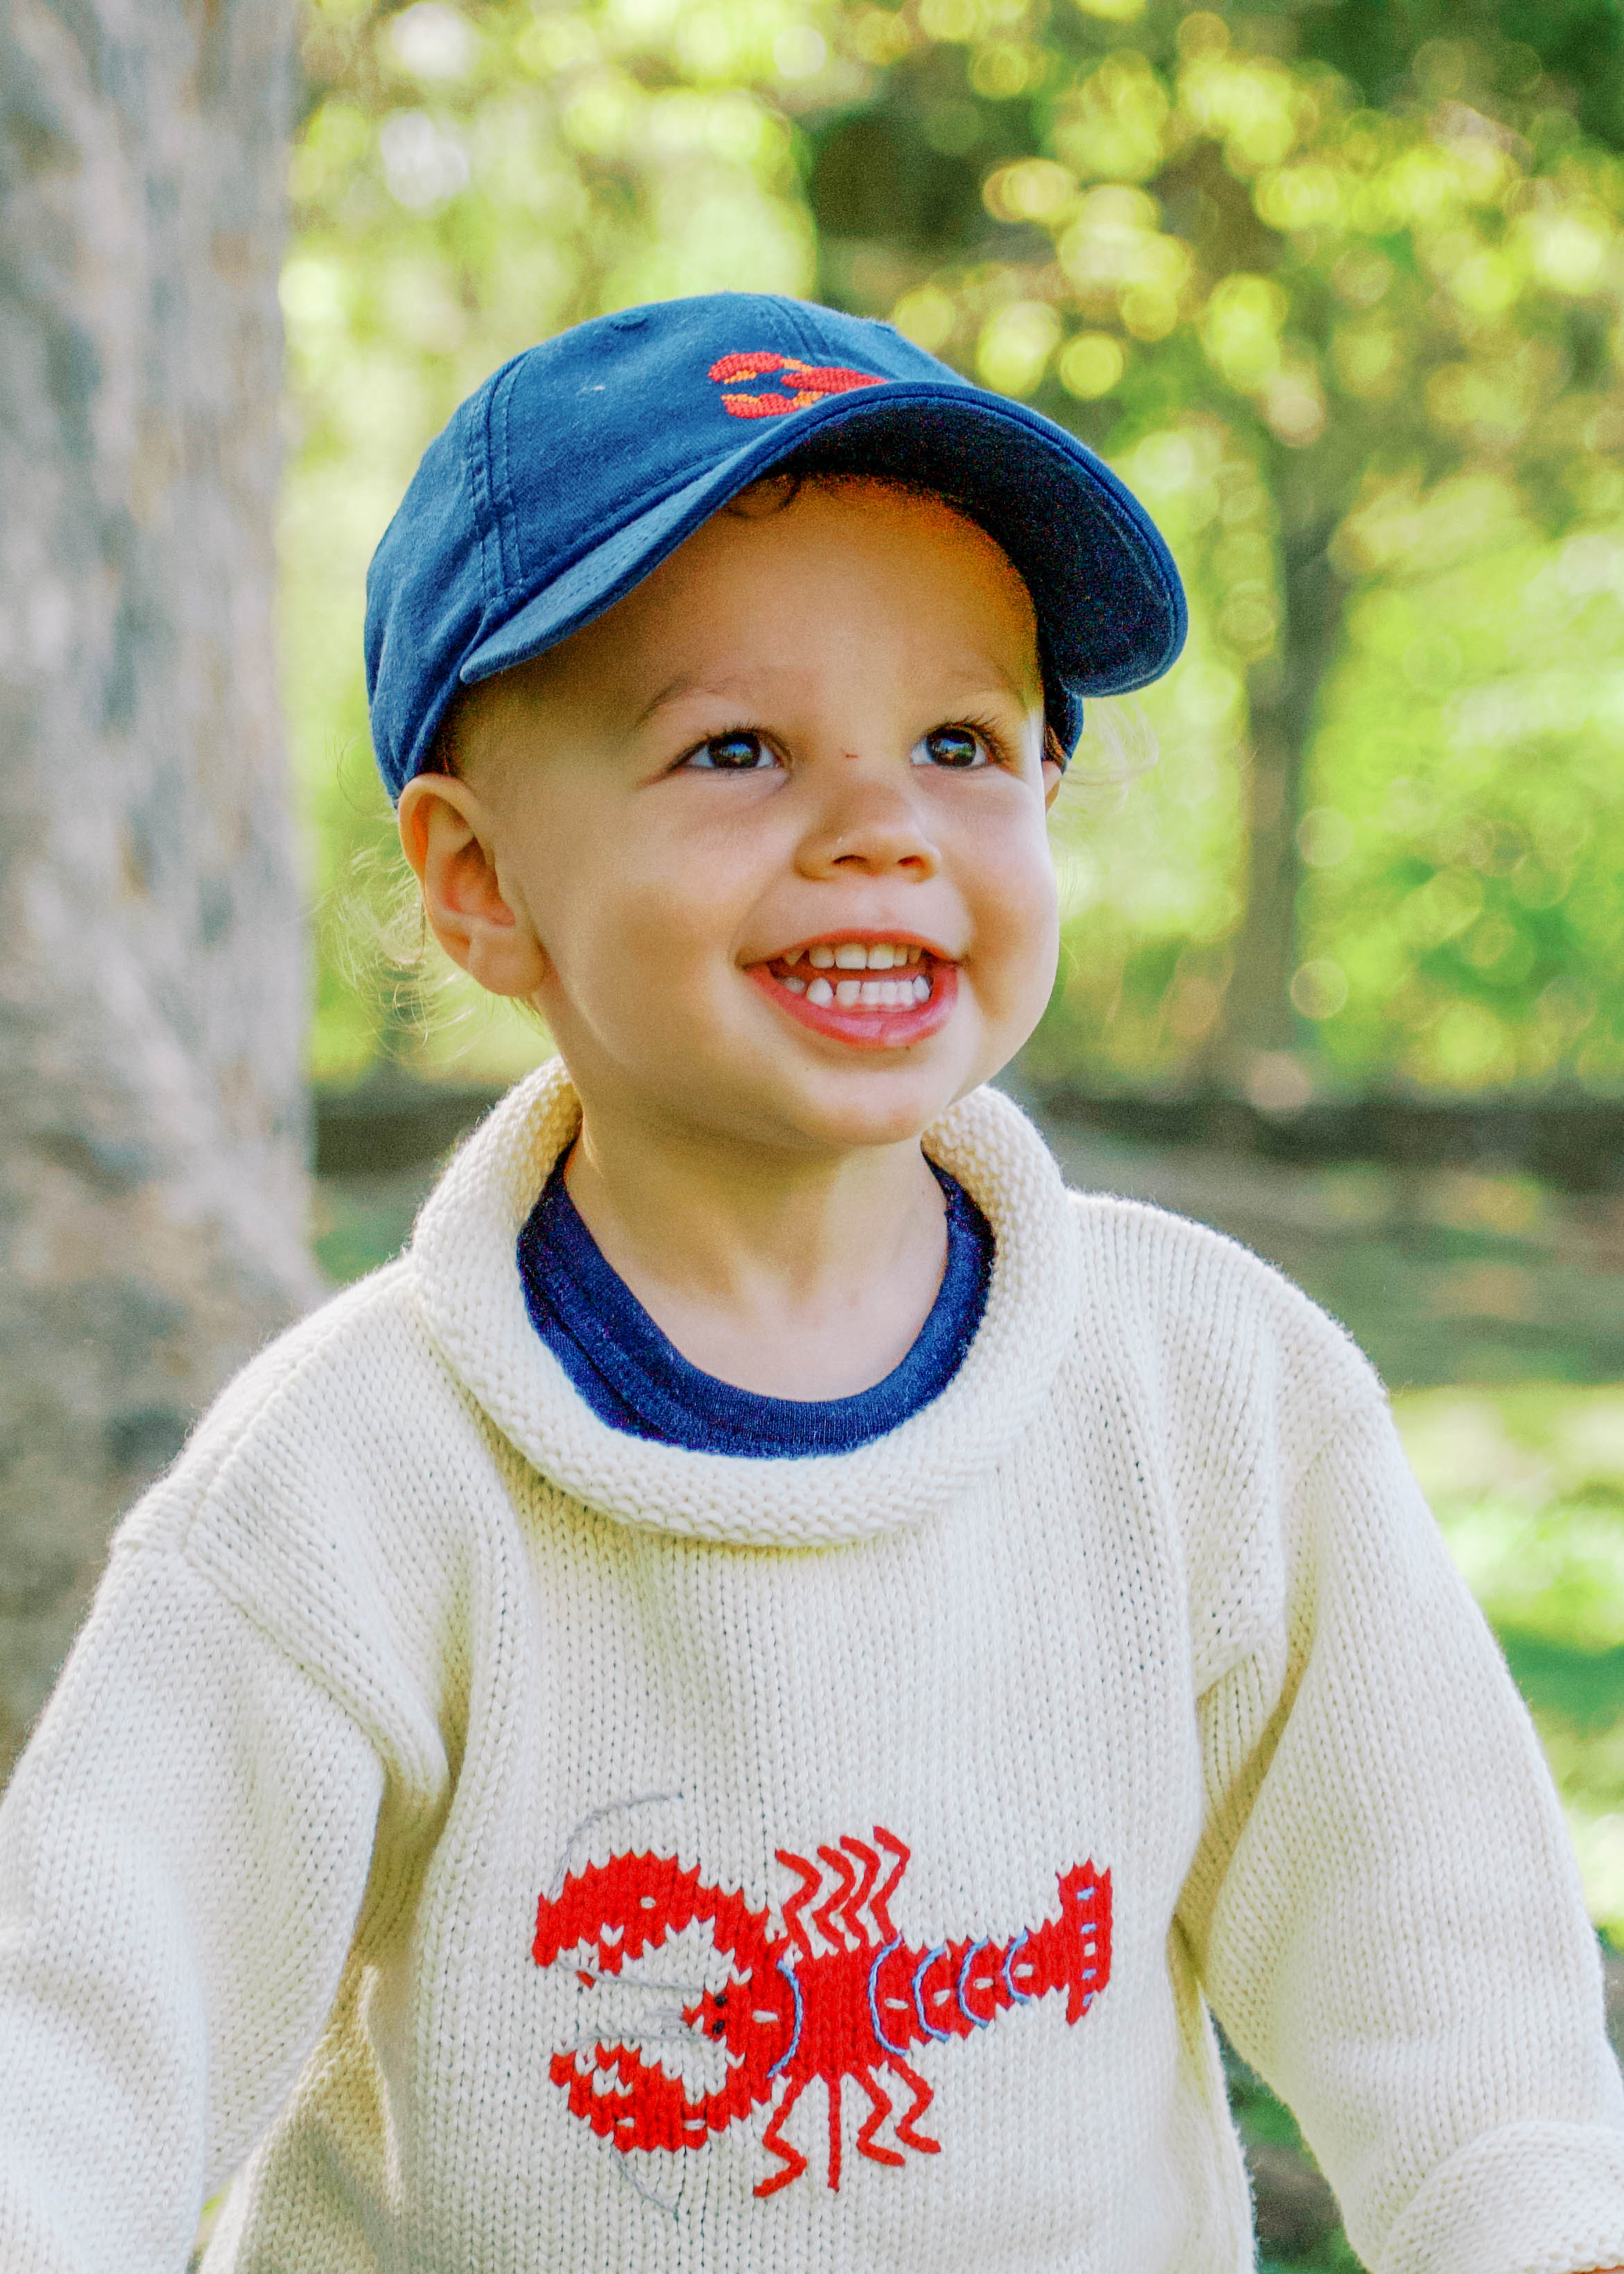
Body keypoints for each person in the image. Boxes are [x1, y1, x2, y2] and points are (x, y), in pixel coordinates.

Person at [0, 293, 1620, 2274]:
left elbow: (1446, 1963)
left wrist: (1532, 2213)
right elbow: (76, 2046)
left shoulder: (1210, 1397)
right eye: (736, 749)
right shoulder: (356, 1477)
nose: (878, 831)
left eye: (963, 742)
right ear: (479, 881)